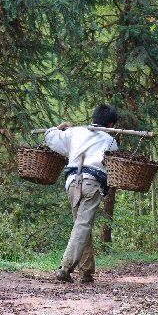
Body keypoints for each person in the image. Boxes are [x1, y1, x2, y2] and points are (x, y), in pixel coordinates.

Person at [44, 104, 118, 283]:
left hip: (72, 183)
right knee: (83, 225)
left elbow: (50, 137)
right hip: (91, 185)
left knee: (82, 226)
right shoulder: (110, 141)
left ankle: (86, 272)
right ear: (111, 125)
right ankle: (65, 268)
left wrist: (59, 127)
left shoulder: (75, 132)